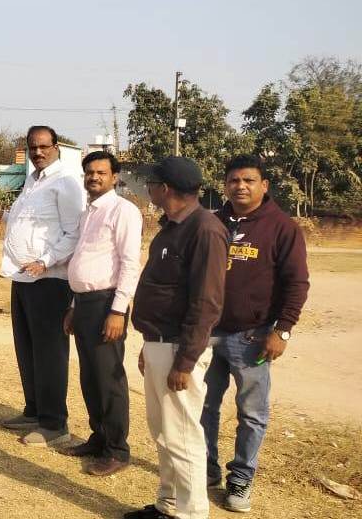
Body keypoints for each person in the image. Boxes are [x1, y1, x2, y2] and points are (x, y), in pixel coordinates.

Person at [201, 155, 309, 513]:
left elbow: (297, 283)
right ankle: (205, 468)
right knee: (203, 405)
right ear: (225, 185)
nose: (240, 186)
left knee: (251, 413)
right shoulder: (213, 222)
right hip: (207, 332)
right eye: (234, 180)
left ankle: (241, 478)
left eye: (249, 180)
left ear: (264, 185)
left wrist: (283, 331)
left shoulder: (282, 227)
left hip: (252, 338)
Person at [125, 156, 228, 519]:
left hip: (178, 349)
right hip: (160, 343)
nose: (148, 189)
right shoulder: (172, 227)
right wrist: (148, 344)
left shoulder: (205, 230)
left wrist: (184, 362)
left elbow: (207, 304)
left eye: (151, 183)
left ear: (165, 188)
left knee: (182, 437)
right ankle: (168, 505)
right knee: (164, 433)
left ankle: (191, 513)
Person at [0, 125, 85, 447]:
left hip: (49, 280)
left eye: (43, 147)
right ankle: (34, 410)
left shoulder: (66, 182)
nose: (38, 152)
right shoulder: (32, 181)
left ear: (56, 147)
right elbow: (25, 221)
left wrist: (46, 261)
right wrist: (0, 213)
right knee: (27, 348)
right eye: (32, 147)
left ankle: (54, 423)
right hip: (22, 276)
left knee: (49, 352)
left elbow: (74, 232)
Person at [62, 151, 142, 476]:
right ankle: (99, 437)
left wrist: (118, 311)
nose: (94, 177)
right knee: (90, 376)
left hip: (106, 303)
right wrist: (72, 307)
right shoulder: (88, 213)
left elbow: (130, 264)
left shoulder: (123, 211)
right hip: (84, 304)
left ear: (115, 177)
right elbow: (82, 259)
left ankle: (117, 450)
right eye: (89, 172)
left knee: (109, 378)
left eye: (101, 172)